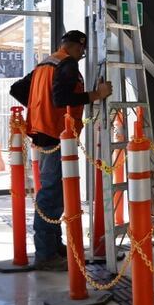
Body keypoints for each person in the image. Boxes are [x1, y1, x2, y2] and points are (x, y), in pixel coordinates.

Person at [10, 30, 112, 271]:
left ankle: (54, 246)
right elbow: (61, 98)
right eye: (81, 50)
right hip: (55, 134)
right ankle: (46, 253)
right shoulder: (66, 65)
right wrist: (97, 94)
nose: (82, 54)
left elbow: (17, 89)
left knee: (53, 193)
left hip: (43, 132)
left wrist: (39, 108)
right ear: (75, 47)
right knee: (51, 194)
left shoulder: (45, 64)